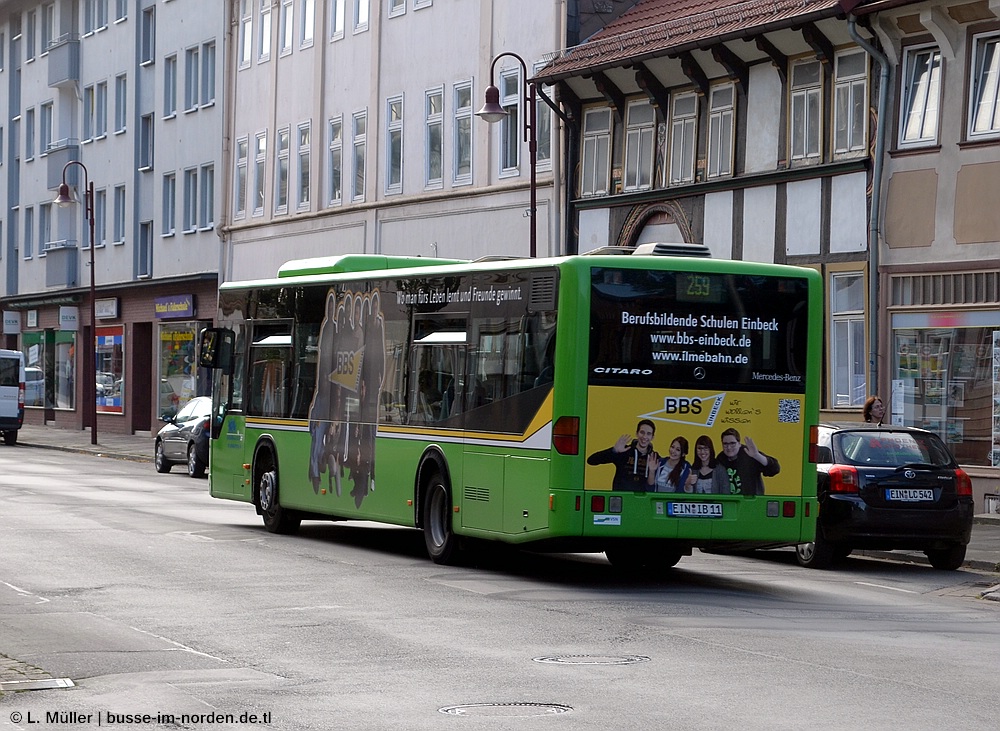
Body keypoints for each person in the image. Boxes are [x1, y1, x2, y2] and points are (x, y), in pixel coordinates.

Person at [587, 419, 656, 492]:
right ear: (637, 433)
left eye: (648, 434)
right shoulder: (624, 451)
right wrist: (614, 450)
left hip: (643, 501)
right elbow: (591, 460)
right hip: (621, 499)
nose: (645, 437)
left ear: (652, 437)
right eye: (642, 432)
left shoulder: (654, 457)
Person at [717, 428, 780, 496]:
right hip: (729, 502)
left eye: (732, 443)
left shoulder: (749, 453)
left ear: (739, 444)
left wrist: (757, 456)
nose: (729, 447)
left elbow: (775, 469)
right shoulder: (721, 458)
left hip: (751, 501)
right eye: (725, 444)